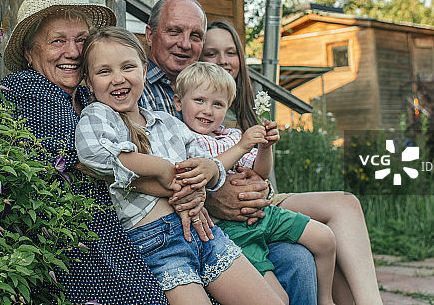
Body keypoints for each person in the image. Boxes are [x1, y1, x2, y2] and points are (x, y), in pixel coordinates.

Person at [0, 0, 207, 305]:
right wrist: (183, 189)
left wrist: (192, 185)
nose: (73, 52)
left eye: (81, 39)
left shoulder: (87, 97)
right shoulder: (28, 89)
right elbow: (92, 164)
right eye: (57, 41)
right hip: (80, 247)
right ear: (30, 53)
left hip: (128, 231)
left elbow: (142, 154)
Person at [75, 28, 286, 305]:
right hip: (158, 242)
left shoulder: (167, 123)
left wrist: (207, 174)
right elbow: (96, 155)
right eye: (104, 72)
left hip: (206, 233)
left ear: (143, 68)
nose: (118, 78)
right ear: (88, 83)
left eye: (128, 67)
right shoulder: (99, 115)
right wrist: (162, 168)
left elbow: (203, 166)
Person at [139, 0, 319, 304]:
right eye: (174, 32)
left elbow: (252, 168)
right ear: (150, 35)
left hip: (244, 217)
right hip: (192, 225)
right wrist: (215, 195)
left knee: (301, 257)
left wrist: (257, 188)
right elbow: (155, 170)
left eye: (195, 36)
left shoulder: (209, 97)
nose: (185, 43)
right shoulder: (135, 87)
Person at [202, 20, 384, 305]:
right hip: (228, 208)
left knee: (345, 205)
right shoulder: (196, 110)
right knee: (314, 241)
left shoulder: (244, 108)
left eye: (230, 52)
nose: (223, 61)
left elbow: (261, 174)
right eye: (211, 54)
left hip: (263, 199)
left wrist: (264, 151)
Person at [175, 62, 338, 305]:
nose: (208, 110)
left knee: (325, 238)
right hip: (232, 232)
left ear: (227, 108)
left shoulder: (229, 135)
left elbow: (260, 173)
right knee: (278, 298)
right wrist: (242, 146)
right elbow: (205, 174)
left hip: (262, 215)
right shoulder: (180, 137)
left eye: (217, 104)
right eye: (199, 100)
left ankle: (326, 300)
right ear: (178, 102)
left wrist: (264, 147)